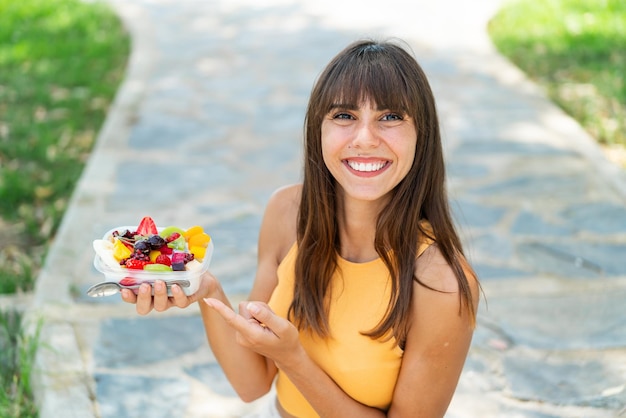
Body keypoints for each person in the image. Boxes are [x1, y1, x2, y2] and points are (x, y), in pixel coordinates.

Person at [123, 38, 480, 418]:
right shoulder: (287, 213)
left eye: (390, 117)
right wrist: (203, 288)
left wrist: (293, 359)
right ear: (318, 129)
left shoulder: (442, 283)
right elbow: (252, 382)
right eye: (344, 116)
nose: (364, 139)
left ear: (421, 135)